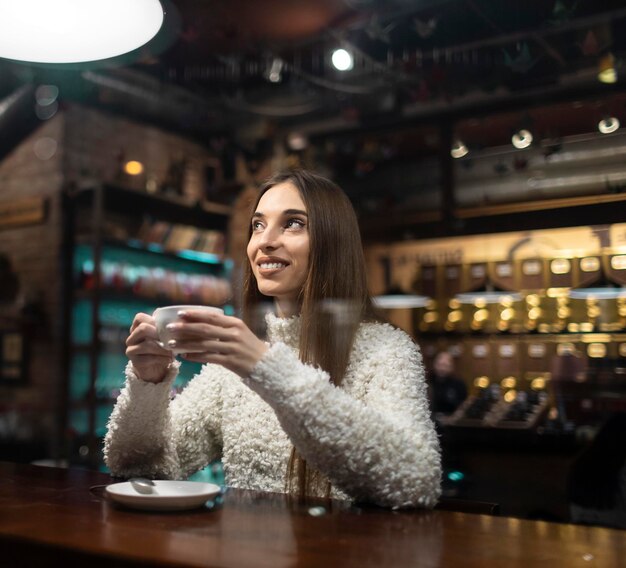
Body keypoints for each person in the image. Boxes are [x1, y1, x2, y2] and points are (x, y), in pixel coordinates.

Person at [104, 169, 441, 508]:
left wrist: (266, 367)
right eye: (258, 225)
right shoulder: (233, 364)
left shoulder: (386, 350)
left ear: (334, 240)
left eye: (293, 223)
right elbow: (140, 468)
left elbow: (416, 482)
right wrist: (149, 383)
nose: (265, 241)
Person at [429, 352, 467, 417]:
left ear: (452, 367)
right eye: (440, 365)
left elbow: (463, 406)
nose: (442, 368)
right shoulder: (428, 382)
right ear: (434, 365)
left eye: (445, 365)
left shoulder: (459, 384)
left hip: (452, 422)